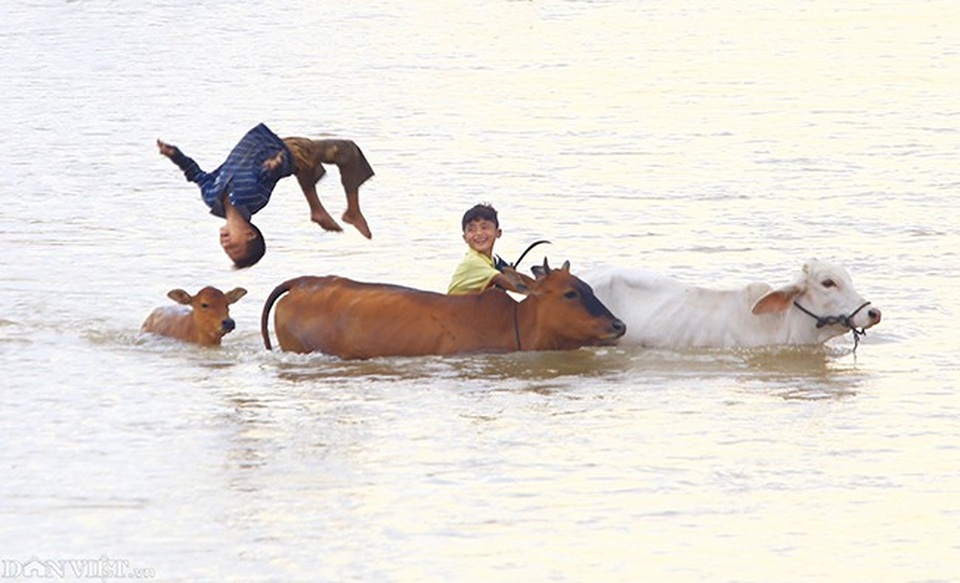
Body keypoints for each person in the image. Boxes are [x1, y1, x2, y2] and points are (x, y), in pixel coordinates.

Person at [157, 123, 374, 268]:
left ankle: (317, 210)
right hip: (285, 150)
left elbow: (195, 174)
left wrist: (175, 155)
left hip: (271, 145)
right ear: (250, 234)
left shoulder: (211, 196)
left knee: (306, 165)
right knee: (348, 151)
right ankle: (352, 211)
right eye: (234, 246)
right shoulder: (254, 200)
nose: (225, 244)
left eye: (226, 249)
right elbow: (261, 177)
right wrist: (273, 165)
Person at [448, 203, 530, 295]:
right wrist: (540, 290)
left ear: (498, 233)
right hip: (455, 308)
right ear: (465, 237)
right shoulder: (473, 261)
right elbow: (510, 284)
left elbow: (509, 276)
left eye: (484, 227)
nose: (478, 233)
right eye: (472, 229)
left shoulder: (492, 261)